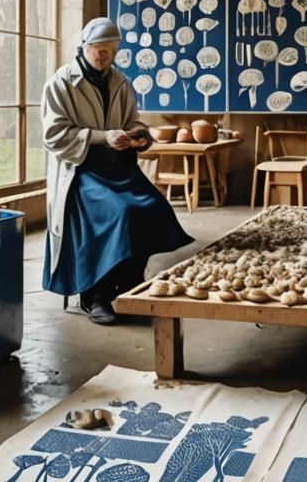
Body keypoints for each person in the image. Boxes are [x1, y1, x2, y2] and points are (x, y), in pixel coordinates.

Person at [41, 17, 193, 325]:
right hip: (81, 169)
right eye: (99, 48)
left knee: (154, 208)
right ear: (84, 46)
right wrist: (103, 136)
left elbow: (132, 121)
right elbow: (54, 136)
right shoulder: (60, 83)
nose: (104, 55)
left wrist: (137, 136)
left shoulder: (120, 83)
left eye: (111, 50)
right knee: (120, 213)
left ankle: (128, 283)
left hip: (117, 167)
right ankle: (94, 295)